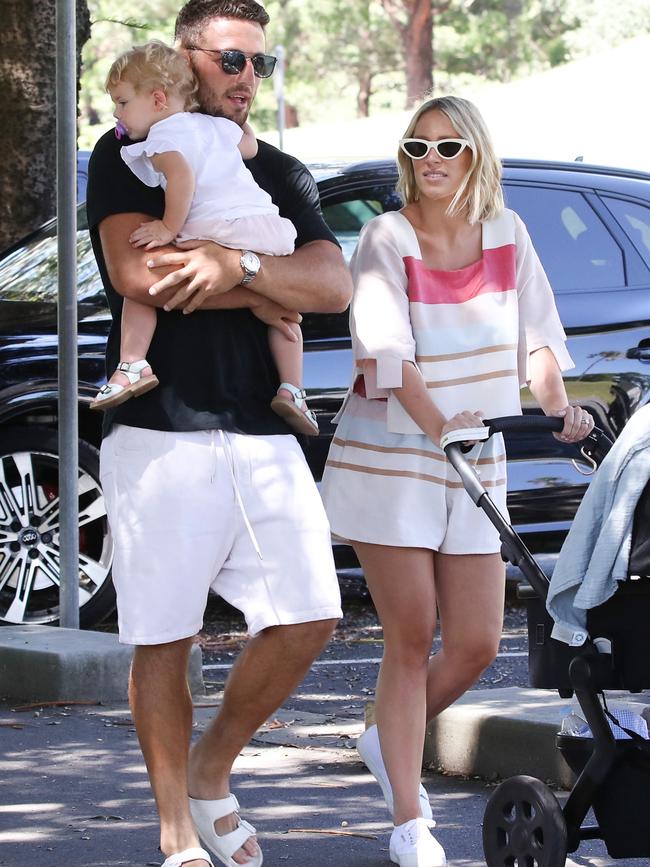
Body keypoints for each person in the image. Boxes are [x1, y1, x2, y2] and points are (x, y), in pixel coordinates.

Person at [86, 1, 352, 866]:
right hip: (160, 426)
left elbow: (331, 283)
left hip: (266, 432)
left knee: (312, 613)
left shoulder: (279, 166)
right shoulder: (128, 146)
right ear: (184, 60)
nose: (247, 79)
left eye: (259, 66)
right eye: (232, 60)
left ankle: (211, 767)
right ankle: (175, 832)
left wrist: (233, 265)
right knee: (163, 634)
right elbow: (136, 269)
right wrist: (264, 289)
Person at [320, 95, 595, 867]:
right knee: (410, 633)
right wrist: (439, 422)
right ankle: (411, 822)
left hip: (475, 458)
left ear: (476, 154)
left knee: (475, 642)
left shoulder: (508, 234)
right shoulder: (384, 236)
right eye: (419, 147)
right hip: (394, 458)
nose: (432, 160)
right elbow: (386, 352)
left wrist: (557, 407)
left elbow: (537, 338)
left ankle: (387, 737)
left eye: (449, 147)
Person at [91, 40, 318, 436]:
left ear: (158, 99)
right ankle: (293, 388)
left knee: (143, 288)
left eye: (123, 102)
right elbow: (248, 146)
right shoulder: (216, 127)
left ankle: (132, 364)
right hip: (264, 223)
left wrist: (168, 228)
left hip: (217, 224)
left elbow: (181, 179)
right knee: (283, 313)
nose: (116, 113)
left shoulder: (162, 137)